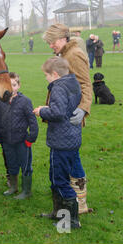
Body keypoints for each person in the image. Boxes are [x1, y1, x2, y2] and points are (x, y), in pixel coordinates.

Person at [42, 23, 93, 215]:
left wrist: (83, 109)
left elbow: (86, 84)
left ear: (63, 38)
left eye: (52, 42)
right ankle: (77, 203)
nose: (51, 45)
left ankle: (79, 203)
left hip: (69, 119)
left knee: (73, 161)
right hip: (62, 117)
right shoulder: (63, 55)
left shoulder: (75, 54)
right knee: (72, 159)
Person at [34, 56, 82, 229]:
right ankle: (57, 213)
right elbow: (68, 108)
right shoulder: (73, 82)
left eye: (46, 75)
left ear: (54, 74)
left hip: (61, 141)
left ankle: (71, 221)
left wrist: (42, 111)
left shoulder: (59, 88)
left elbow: (59, 113)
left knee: (60, 180)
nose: (46, 78)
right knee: (56, 177)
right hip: (71, 137)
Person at [0, 72, 39, 199]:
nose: (11, 87)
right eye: (8, 85)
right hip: (6, 141)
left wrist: (31, 139)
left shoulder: (25, 102)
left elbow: (33, 122)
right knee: (11, 164)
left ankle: (26, 191)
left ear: (18, 86)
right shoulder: (0, 102)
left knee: (25, 165)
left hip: (22, 141)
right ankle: (13, 187)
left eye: (14, 85)